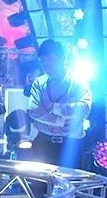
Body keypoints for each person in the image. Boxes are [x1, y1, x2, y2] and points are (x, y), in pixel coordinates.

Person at [27, 40, 92, 168]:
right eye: (43, 63)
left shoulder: (78, 81)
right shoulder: (39, 82)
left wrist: (54, 108)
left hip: (71, 145)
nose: (47, 67)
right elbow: (34, 110)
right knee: (39, 180)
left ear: (62, 58)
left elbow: (84, 108)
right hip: (44, 143)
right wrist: (60, 121)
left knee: (71, 179)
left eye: (51, 61)